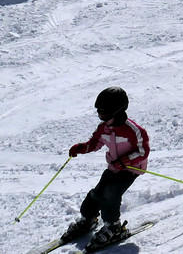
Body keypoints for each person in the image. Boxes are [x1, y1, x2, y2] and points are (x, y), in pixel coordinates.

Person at [61, 86, 150, 248]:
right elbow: (95, 143)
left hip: (132, 169)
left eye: (105, 112)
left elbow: (143, 151)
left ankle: (113, 226)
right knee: (97, 193)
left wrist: (125, 161)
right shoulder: (104, 128)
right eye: (99, 112)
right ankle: (87, 219)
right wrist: (82, 147)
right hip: (114, 167)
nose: (101, 116)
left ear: (117, 111)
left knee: (111, 193)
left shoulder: (133, 130)